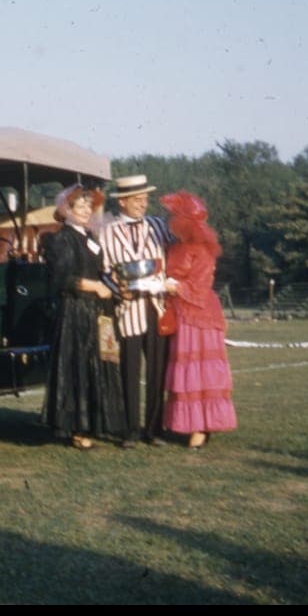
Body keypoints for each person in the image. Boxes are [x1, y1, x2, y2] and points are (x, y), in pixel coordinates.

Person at [42, 184, 127, 450]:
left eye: (88, 206)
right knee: (78, 367)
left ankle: (97, 423)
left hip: (99, 311)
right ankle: (78, 430)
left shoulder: (90, 238)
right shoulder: (61, 239)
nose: (85, 211)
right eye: (80, 206)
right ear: (67, 210)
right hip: (76, 311)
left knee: (100, 365)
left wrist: (111, 283)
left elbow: (96, 272)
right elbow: (62, 280)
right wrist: (96, 287)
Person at [100, 174, 175, 448]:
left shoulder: (158, 226)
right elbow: (105, 271)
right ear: (122, 202)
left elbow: (175, 256)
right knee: (128, 371)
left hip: (156, 306)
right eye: (136, 200)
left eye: (145, 199)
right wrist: (121, 291)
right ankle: (129, 430)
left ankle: (154, 429)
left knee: (157, 370)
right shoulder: (107, 231)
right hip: (128, 309)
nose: (142, 204)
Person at [159, 190, 237, 449]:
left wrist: (174, 287)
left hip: (198, 315)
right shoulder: (179, 246)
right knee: (190, 371)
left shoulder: (199, 249)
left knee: (200, 372)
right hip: (184, 314)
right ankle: (192, 424)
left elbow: (200, 286)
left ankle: (201, 427)